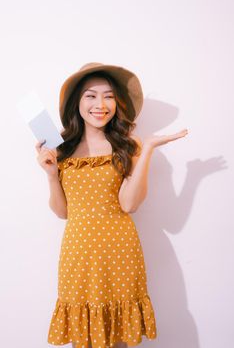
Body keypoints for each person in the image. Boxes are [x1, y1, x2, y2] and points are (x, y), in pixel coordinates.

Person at [35, 62, 188, 348]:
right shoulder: (61, 149)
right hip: (78, 251)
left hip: (119, 248)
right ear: (77, 103)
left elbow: (129, 204)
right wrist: (51, 175)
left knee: (118, 337)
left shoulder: (128, 146)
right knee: (85, 336)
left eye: (108, 96)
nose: (100, 104)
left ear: (117, 102)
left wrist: (149, 149)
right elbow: (62, 212)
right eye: (91, 96)